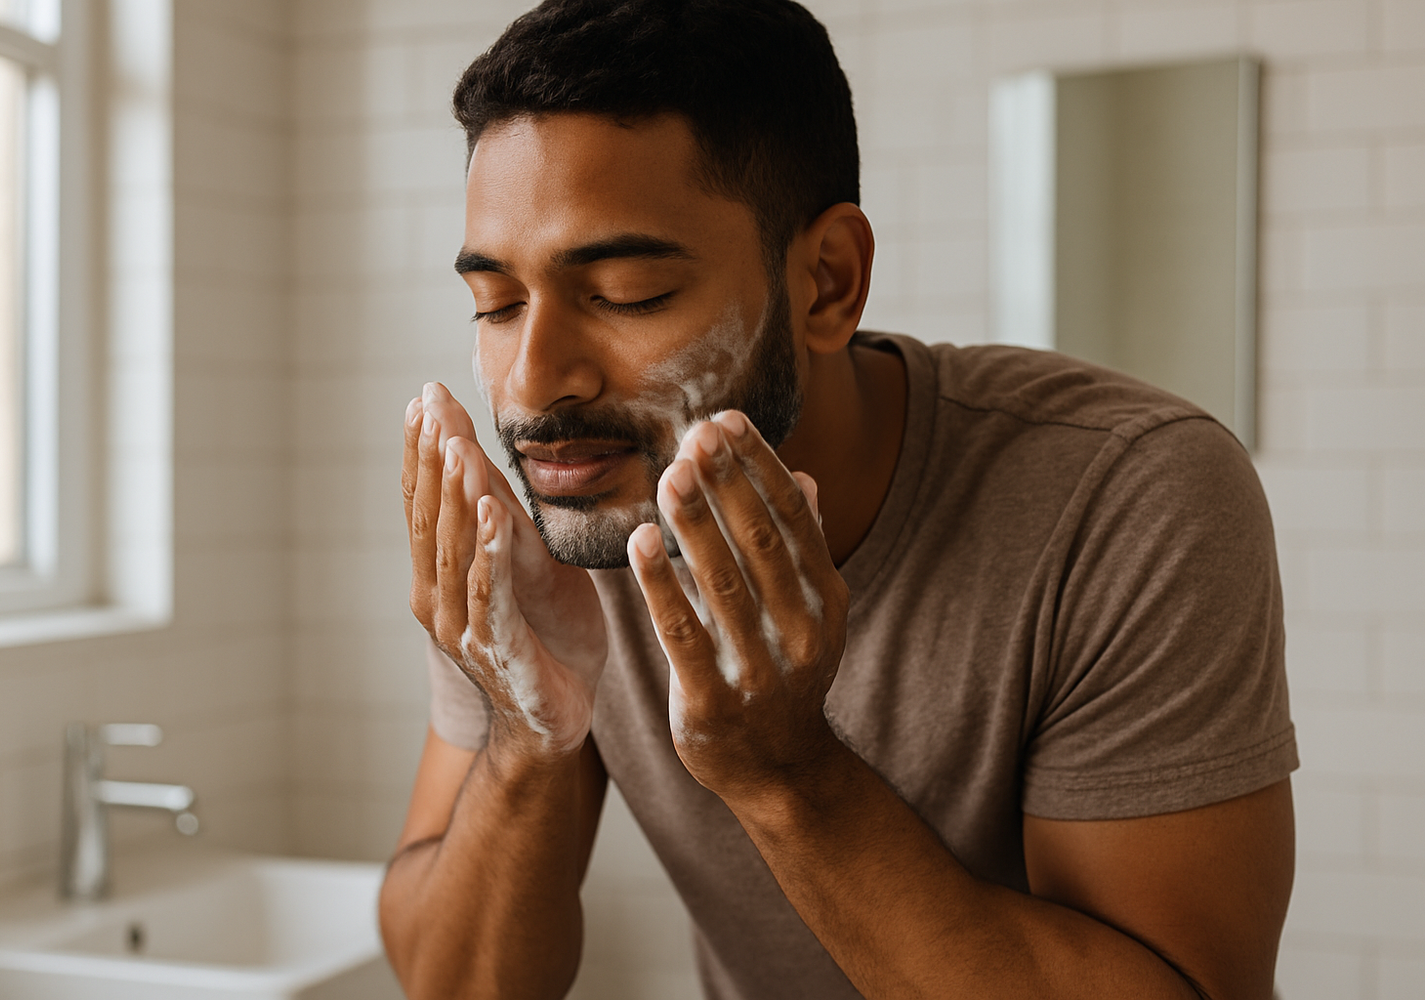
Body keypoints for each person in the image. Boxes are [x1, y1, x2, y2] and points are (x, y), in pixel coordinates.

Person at [377, 1, 1299, 998]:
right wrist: (527, 734)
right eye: (496, 304)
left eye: (628, 292)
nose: (532, 381)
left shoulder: (1130, 496)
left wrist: (788, 772)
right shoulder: (566, 512)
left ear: (826, 281)